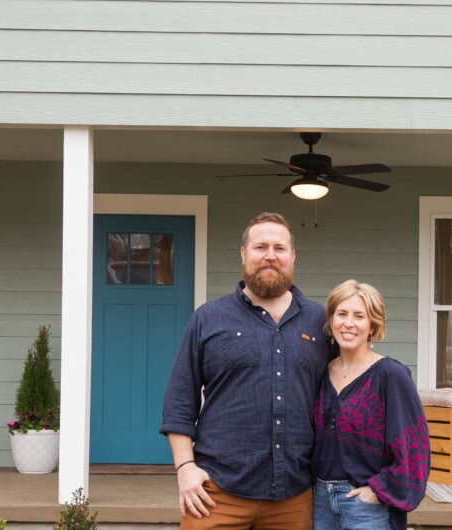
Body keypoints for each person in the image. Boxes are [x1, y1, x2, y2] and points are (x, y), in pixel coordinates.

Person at [160, 212, 329, 529]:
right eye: (260, 247)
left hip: (294, 497)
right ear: (243, 254)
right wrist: (185, 468)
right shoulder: (208, 318)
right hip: (216, 493)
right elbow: (180, 402)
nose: (270, 256)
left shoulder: (321, 322)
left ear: (292, 256)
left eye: (279, 248)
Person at [312, 280, 430, 530]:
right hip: (320, 501)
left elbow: (414, 449)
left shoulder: (391, 375)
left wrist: (377, 491)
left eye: (359, 316)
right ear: (331, 320)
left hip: (366, 505)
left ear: (373, 325)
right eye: (341, 314)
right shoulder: (321, 372)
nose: (348, 323)